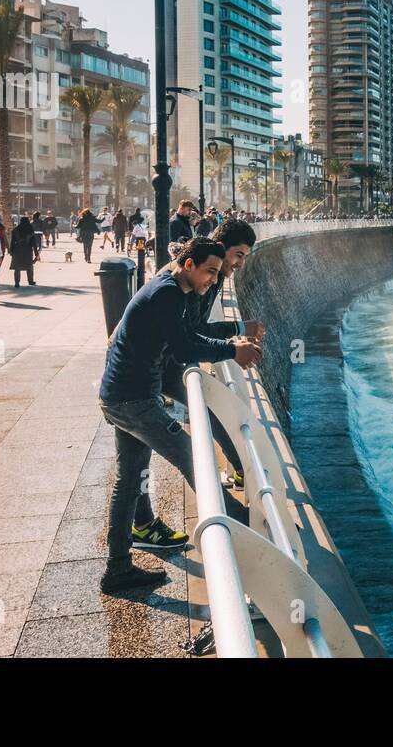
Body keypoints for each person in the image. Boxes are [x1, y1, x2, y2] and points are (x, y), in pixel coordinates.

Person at [97, 237, 261, 592]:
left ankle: (118, 569)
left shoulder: (170, 288)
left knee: (130, 480)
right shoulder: (168, 293)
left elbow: (187, 335)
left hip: (123, 396)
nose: (213, 281)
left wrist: (230, 340)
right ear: (189, 265)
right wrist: (233, 351)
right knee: (194, 458)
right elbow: (185, 346)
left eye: (217, 274)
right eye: (210, 272)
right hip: (133, 401)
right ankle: (249, 532)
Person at [9, 215, 37, 287]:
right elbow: (34, 242)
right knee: (29, 266)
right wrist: (36, 254)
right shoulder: (30, 229)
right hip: (27, 249)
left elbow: (12, 242)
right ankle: (30, 281)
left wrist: (11, 251)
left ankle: (17, 283)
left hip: (17, 249)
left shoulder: (15, 230)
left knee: (17, 267)